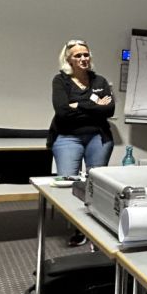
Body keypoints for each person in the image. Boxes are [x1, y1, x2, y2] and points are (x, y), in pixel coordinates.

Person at [48, 39, 115, 245]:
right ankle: (76, 227)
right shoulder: (60, 81)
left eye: (86, 54)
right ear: (69, 59)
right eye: (78, 55)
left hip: (98, 137)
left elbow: (109, 110)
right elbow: (62, 112)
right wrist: (93, 106)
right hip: (68, 136)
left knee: (96, 185)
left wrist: (77, 104)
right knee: (68, 183)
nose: (83, 59)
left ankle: (93, 228)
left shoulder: (99, 81)